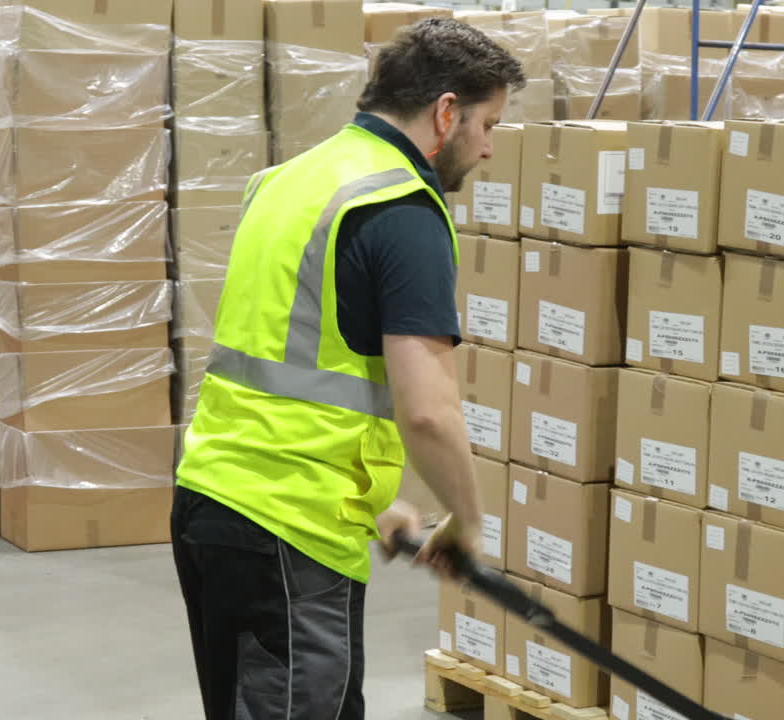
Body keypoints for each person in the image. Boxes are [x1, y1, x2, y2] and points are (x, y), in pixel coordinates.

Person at [169, 18, 527, 720]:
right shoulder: (400, 207)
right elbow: (428, 410)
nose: (487, 148)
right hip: (290, 528)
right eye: (487, 125)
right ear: (446, 112)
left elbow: (293, 356)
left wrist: (372, 501)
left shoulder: (287, 180)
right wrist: (466, 522)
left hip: (212, 498)